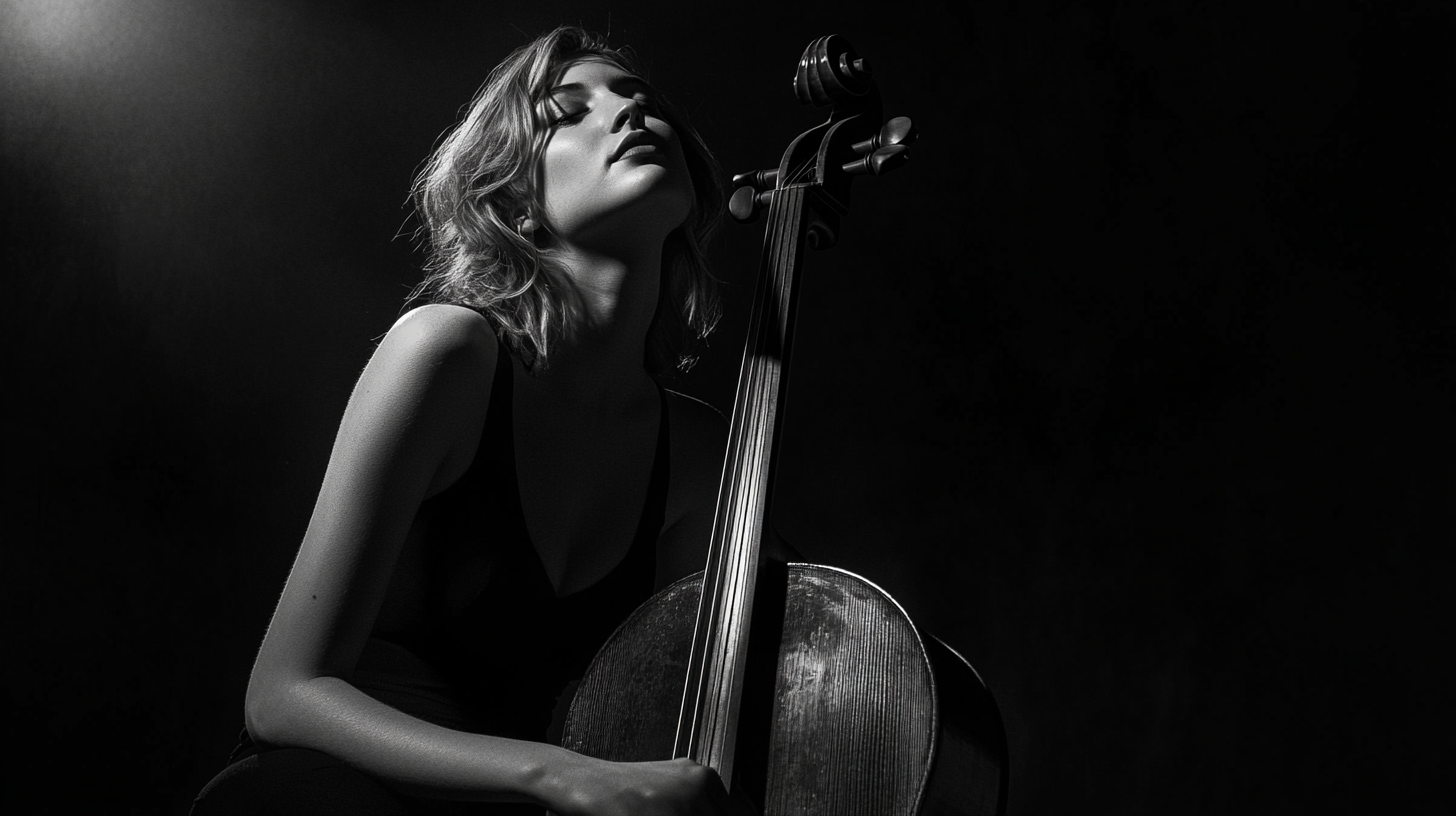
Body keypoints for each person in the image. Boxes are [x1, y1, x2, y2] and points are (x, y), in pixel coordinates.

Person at [192, 25, 763, 816]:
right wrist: (558, 774)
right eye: (570, 112)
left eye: (641, 101)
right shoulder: (447, 353)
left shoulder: (697, 453)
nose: (630, 115)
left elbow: (675, 721)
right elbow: (283, 694)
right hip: (329, 792)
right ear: (517, 202)